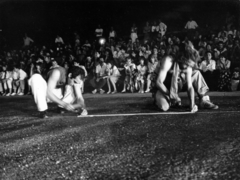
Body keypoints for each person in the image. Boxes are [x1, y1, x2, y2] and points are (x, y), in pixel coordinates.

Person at [154, 41, 218, 112]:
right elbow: (159, 82)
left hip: (178, 85)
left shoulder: (188, 65)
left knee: (196, 73)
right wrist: (172, 96)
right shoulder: (168, 60)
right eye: (186, 64)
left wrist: (192, 105)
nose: (187, 66)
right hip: (165, 88)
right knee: (164, 107)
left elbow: (190, 87)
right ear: (181, 58)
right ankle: (157, 99)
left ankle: (203, 99)